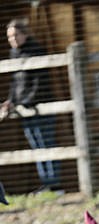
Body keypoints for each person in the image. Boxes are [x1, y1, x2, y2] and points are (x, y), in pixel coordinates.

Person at [0, 18, 60, 192]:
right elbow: (15, 83)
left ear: (24, 33)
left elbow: (39, 82)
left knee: (47, 143)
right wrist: (11, 101)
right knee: (36, 146)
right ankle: (47, 184)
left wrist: (26, 101)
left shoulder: (37, 50)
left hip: (40, 106)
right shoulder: (14, 54)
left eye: (15, 35)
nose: (12, 39)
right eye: (9, 37)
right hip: (24, 108)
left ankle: (55, 185)